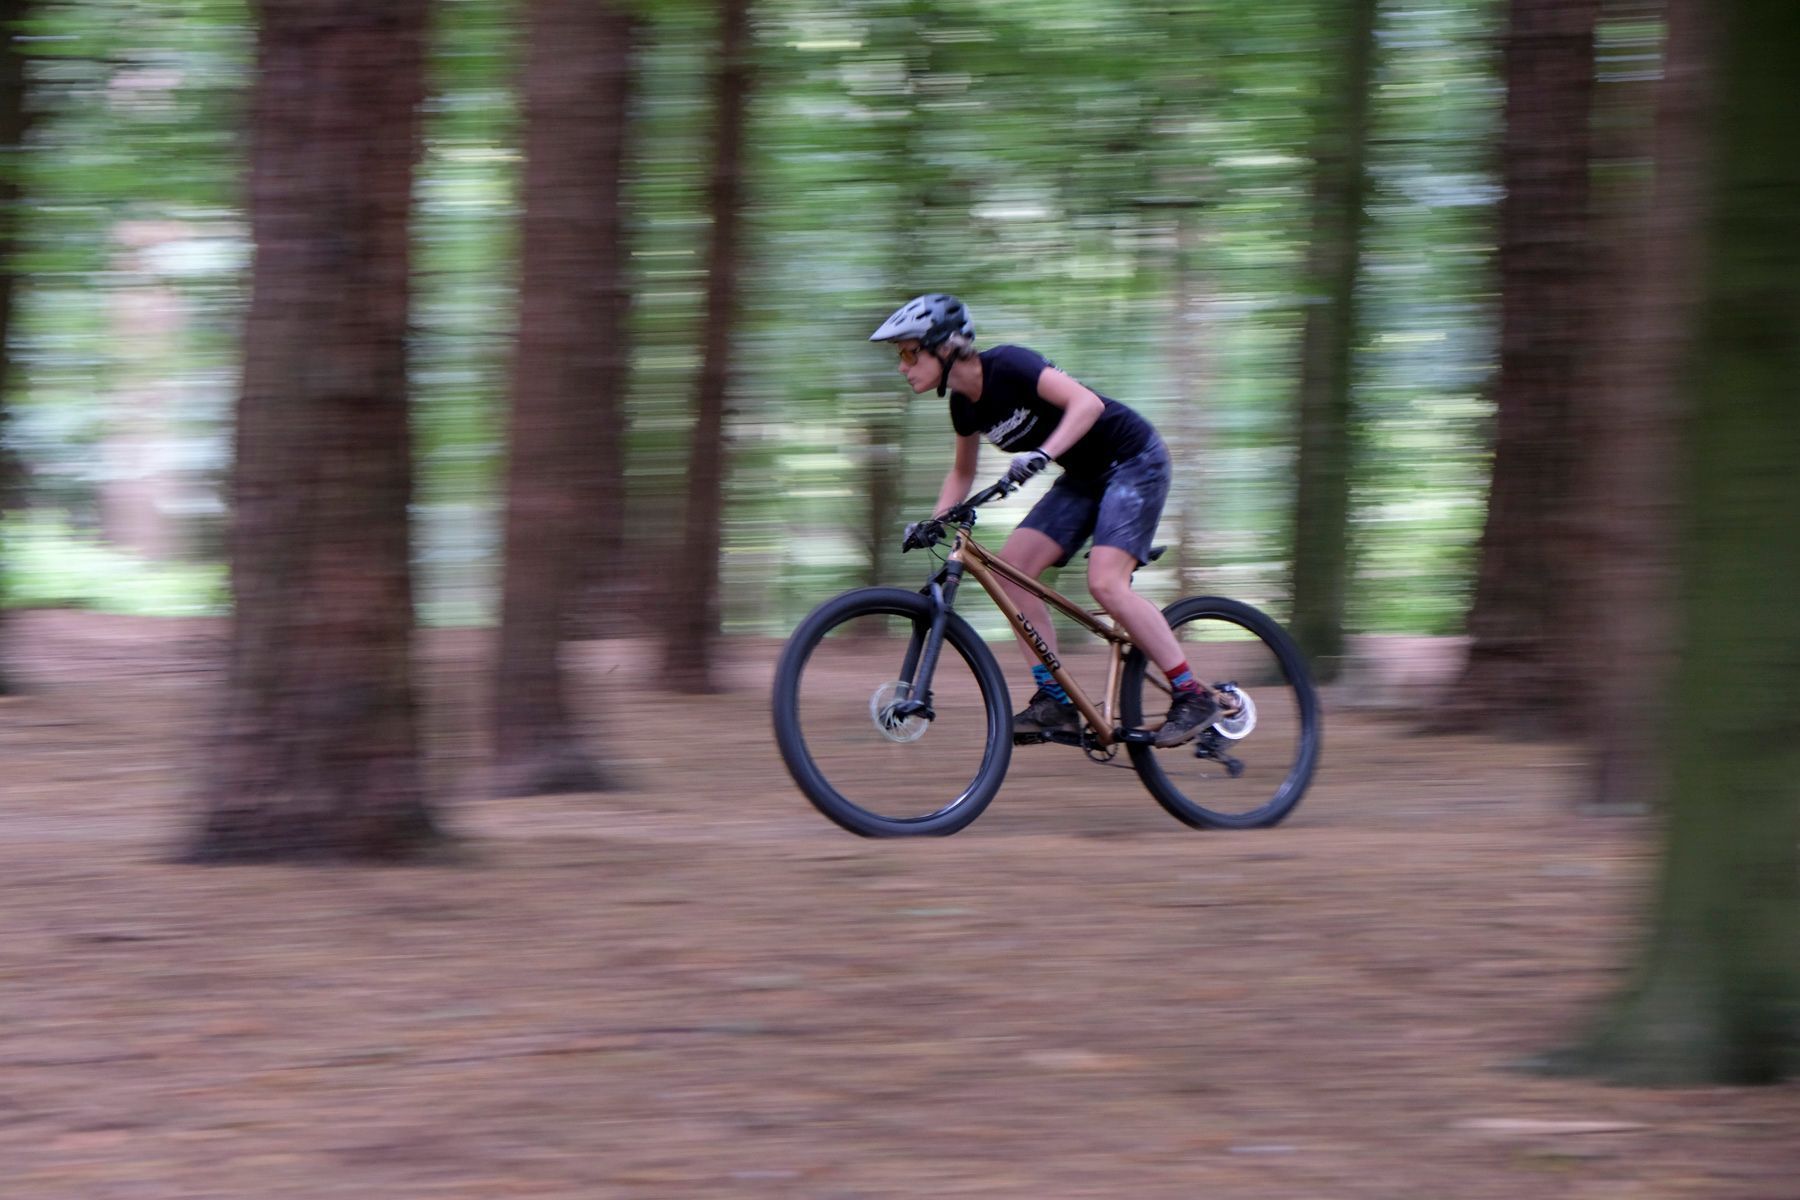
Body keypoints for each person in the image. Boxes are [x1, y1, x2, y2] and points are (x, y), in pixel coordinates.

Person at [870, 292, 1219, 748]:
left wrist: (1042, 453)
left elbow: (1087, 405)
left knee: (1106, 584)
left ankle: (1193, 694)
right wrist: (935, 521)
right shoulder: (964, 406)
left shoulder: (1009, 365)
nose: (903, 367)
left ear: (945, 346)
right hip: (1084, 478)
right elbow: (961, 473)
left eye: (909, 353)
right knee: (1010, 574)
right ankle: (1056, 701)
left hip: (1134, 460)